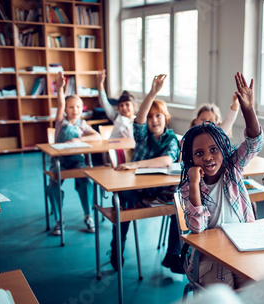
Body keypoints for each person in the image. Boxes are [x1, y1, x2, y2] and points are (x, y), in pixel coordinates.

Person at [178, 72, 264, 288]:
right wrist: (195, 185)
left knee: (255, 289)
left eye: (213, 150)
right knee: (226, 299)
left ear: (223, 150)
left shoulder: (233, 167)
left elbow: (255, 142)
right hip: (210, 257)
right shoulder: (190, 186)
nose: (207, 157)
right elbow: (197, 228)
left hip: (243, 246)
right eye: (199, 153)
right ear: (191, 158)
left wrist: (248, 109)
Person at [108, 74, 182, 272]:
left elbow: (167, 160)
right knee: (124, 201)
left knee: (180, 205)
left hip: (158, 191)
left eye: (158, 116)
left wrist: (137, 164)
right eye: (150, 117)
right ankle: (117, 245)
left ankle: (173, 256)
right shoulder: (142, 136)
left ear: (166, 118)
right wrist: (152, 93)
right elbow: (139, 119)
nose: (153, 120)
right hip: (135, 190)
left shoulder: (172, 140)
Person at [47, 72, 102, 236]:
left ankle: (88, 215)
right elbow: (60, 105)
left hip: (77, 161)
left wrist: (78, 140)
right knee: (52, 186)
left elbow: (97, 136)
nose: (75, 110)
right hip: (59, 161)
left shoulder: (82, 124)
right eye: (71, 107)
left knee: (86, 182)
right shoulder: (60, 122)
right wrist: (60, 89)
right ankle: (59, 220)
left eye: (78, 107)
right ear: (65, 109)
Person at [96, 69, 135, 139]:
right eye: (121, 105)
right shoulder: (116, 117)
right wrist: (100, 85)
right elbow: (104, 102)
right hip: (116, 147)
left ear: (134, 105)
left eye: (127, 104)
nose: (124, 108)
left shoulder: (138, 120)